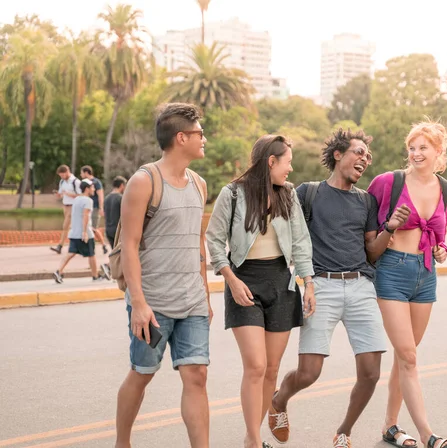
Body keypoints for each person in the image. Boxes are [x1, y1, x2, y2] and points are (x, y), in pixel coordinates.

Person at [268, 129, 407, 448]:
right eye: (359, 152)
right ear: (338, 155)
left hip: (360, 287)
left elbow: (372, 250)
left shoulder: (367, 201)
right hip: (322, 287)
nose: (365, 159)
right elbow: (290, 236)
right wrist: (301, 282)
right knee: (309, 372)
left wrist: (390, 228)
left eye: (368, 157)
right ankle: (278, 401)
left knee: (371, 372)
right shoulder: (309, 192)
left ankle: (343, 431)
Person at [206, 135, 315, 448]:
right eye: (287, 161)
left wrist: (308, 282)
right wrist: (230, 278)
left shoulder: (288, 194)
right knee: (255, 365)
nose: (290, 168)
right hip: (244, 281)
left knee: (271, 369)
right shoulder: (233, 193)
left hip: (281, 281)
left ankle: (254, 432)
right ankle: (253, 440)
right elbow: (213, 239)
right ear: (271, 161)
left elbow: (300, 241)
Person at [114, 103, 212, 448]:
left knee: (197, 376)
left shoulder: (199, 184)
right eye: (200, 133)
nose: (205, 139)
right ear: (181, 137)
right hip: (153, 303)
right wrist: (138, 304)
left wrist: (205, 293)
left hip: (192, 301)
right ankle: (122, 442)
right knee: (142, 373)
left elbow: (197, 243)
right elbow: (129, 244)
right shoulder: (144, 181)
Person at [367, 121, 447, 448]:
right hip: (391, 271)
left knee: (406, 356)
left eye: (424, 148)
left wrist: (442, 249)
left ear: (438, 152)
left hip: (425, 273)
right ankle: (428, 435)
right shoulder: (387, 182)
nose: (416, 153)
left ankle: (390, 426)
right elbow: (364, 220)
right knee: (408, 356)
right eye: (413, 147)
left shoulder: (445, 189)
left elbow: (441, 231)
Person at [52, 179, 111, 283]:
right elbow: (85, 215)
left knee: (71, 253)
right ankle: (95, 276)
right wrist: (85, 231)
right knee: (91, 254)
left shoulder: (77, 200)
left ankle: (58, 271)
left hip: (74, 232)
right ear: (87, 189)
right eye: (92, 187)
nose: (94, 189)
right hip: (85, 233)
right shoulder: (88, 201)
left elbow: (75, 215)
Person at [50, 165, 81, 254]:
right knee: (70, 227)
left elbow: (81, 195)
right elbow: (61, 193)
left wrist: (69, 194)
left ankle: (60, 245)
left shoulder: (76, 182)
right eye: (60, 175)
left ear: (67, 172)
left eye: (63, 175)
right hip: (65, 205)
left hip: (73, 205)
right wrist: (58, 195)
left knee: (66, 225)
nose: (62, 177)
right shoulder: (62, 182)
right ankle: (75, 245)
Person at [80, 165, 109, 254]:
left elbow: (100, 195)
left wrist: (101, 207)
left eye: (81, 173)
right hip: (86, 208)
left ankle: (103, 245)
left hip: (95, 208)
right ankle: (87, 247)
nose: (80, 175)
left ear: (86, 172)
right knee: (87, 227)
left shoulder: (96, 182)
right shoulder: (84, 182)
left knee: (93, 228)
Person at [104, 176, 127, 249]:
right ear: (122, 185)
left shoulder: (106, 198)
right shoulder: (121, 198)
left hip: (108, 230)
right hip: (118, 231)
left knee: (114, 254)